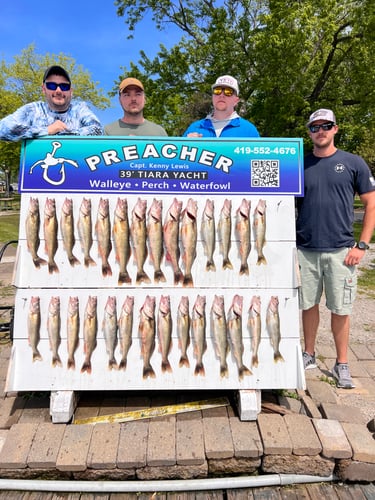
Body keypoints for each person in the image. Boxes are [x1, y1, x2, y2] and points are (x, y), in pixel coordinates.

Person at [296, 108, 375, 388]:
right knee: (308, 306)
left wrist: (362, 245)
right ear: (309, 132)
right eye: (315, 127)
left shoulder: (353, 163)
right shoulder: (299, 165)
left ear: (335, 129)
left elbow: (370, 204)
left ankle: (342, 362)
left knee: (341, 309)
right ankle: (309, 353)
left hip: (341, 250)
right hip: (305, 249)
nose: (320, 131)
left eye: (325, 126)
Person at [0, 65, 103, 141]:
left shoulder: (80, 109)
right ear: (44, 89)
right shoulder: (33, 109)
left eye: (64, 86)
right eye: (52, 86)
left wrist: (63, 134)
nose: (58, 90)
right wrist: (46, 131)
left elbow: (97, 130)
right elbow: (3, 129)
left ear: (71, 91)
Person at [183, 75, 259, 137]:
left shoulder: (249, 130)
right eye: (217, 91)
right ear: (212, 97)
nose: (221, 95)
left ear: (236, 100)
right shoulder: (195, 128)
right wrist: (188, 144)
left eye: (228, 92)